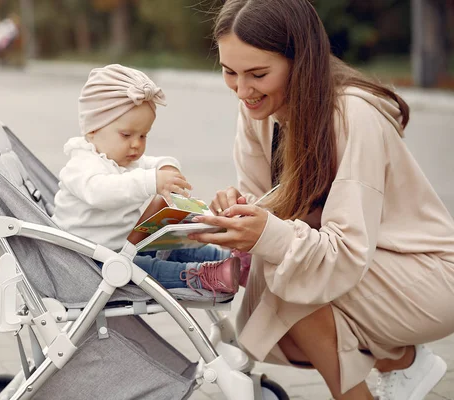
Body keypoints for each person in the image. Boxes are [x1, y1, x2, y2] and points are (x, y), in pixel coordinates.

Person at [188, 1, 454, 399]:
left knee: (285, 273)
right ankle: (399, 363)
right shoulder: (258, 108)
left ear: (301, 61)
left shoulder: (354, 115)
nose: (243, 91)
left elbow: (341, 249)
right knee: (284, 280)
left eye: (258, 74)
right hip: (365, 268)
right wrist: (239, 210)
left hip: (425, 277)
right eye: (230, 72)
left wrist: (266, 233)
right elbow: (271, 209)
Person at [52, 64, 241, 297]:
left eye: (143, 135)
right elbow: (100, 191)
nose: (136, 144)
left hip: (121, 250)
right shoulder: (82, 165)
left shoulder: (122, 159)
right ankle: (201, 275)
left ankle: (226, 261)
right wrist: (150, 182)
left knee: (166, 246)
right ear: (92, 130)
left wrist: (167, 168)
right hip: (88, 261)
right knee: (147, 269)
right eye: (126, 135)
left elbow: (156, 162)